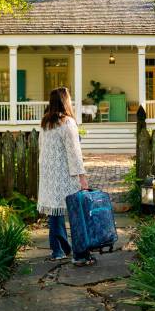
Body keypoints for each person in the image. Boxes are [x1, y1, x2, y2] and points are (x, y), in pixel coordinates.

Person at [37, 87, 96, 266]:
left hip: (48, 175)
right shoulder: (68, 123)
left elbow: (41, 149)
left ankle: (58, 251)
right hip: (66, 174)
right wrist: (82, 177)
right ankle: (80, 254)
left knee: (55, 213)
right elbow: (74, 153)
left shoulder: (45, 123)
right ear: (65, 101)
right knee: (76, 214)